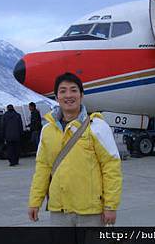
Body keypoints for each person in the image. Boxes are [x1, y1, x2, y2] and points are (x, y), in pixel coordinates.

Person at [28, 72, 122, 227]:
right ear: (57, 98)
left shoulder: (97, 126)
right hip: (59, 210)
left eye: (73, 90)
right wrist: (35, 202)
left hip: (91, 212)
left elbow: (111, 166)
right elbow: (42, 168)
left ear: (81, 95)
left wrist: (110, 206)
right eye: (63, 91)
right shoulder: (48, 130)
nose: (68, 95)